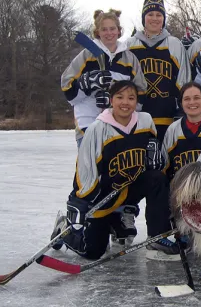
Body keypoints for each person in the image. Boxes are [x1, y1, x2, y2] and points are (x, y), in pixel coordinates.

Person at [49, 80, 172, 260]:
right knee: (93, 252)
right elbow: (86, 167)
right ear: (111, 100)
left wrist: (156, 156)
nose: (125, 102)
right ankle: (64, 230)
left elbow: (153, 152)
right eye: (120, 97)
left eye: (131, 98)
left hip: (129, 188)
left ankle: (157, 236)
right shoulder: (98, 128)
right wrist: (82, 199)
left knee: (157, 179)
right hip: (104, 193)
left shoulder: (145, 120)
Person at [61, 9, 146, 147]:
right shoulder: (86, 56)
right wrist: (86, 84)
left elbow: (141, 94)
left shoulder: (129, 59)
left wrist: (116, 103)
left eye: (112, 28)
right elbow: (68, 91)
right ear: (97, 32)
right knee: (89, 168)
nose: (109, 33)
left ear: (119, 31)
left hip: (121, 128)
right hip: (88, 127)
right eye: (104, 29)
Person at [127, 0, 191, 143]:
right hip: (137, 117)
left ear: (163, 18)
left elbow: (184, 79)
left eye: (158, 14)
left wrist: (181, 108)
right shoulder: (130, 45)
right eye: (150, 14)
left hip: (167, 117)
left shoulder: (174, 44)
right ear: (144, 17)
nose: (155, 18)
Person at [162, 82, 201, 180]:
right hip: (183, 187)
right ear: (181, 103)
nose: (192, 102)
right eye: (187, 99)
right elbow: (165, 166)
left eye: (196, 98)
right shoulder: (173, 129)